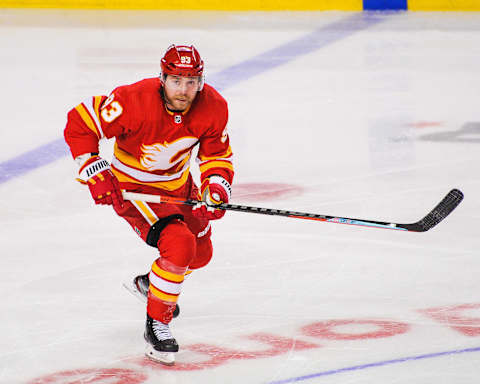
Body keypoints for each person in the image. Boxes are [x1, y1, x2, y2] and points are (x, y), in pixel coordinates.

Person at [64, 44, 234, 365]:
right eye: (176, 81)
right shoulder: (133, 101)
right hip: (136, 192)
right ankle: (158, 325)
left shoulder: (213, 107)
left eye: (191, 81)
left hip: (180, 187)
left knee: (201, 254)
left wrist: (215, 187)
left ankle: (150, 284)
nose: (184, 90)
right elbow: (81, 122)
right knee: (180, 244)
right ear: (162, 78)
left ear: (201, 81)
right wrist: (94, 170)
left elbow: (216, 154)